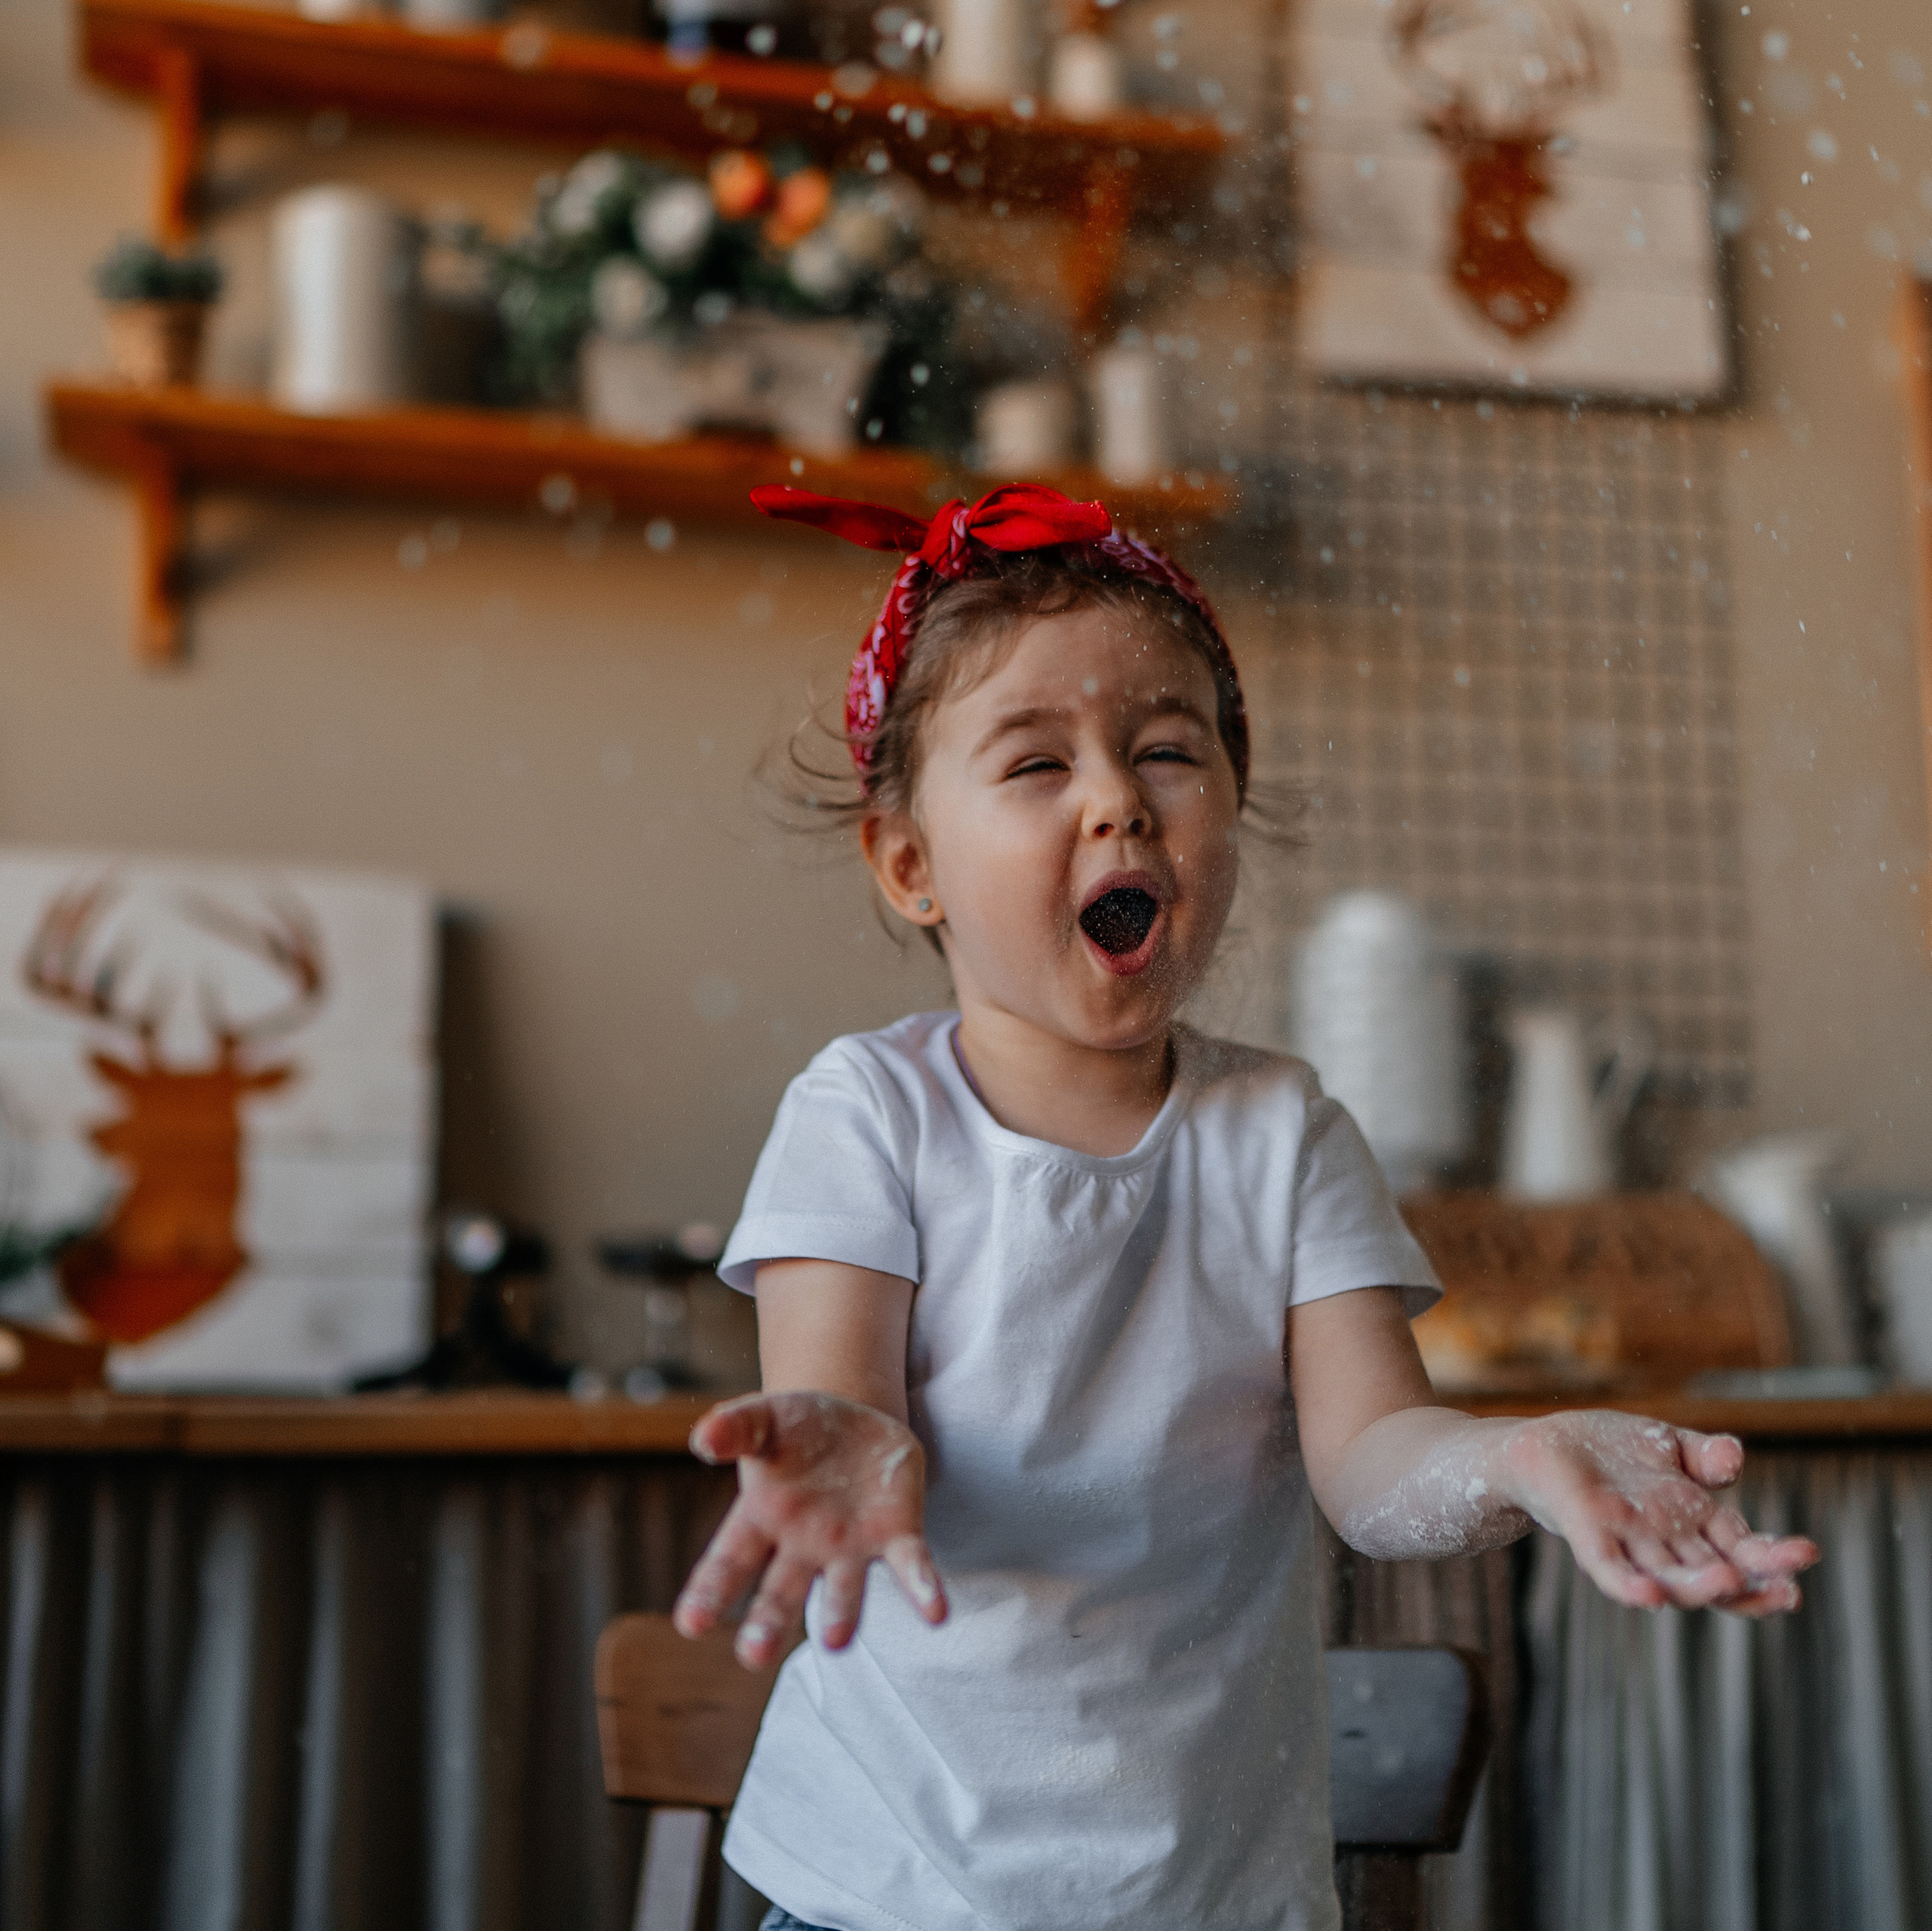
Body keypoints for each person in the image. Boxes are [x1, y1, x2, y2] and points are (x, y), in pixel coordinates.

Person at [671, 484, 1818, 1931]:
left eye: (1169, 749)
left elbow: (1375, 1462)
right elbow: (843, 1403)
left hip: (1216, 1901)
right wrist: (847, 1443)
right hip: (885, 1891)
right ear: (911, 865)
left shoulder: (1285, 1134)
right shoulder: (867, 1114)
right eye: (1036, 763)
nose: (1117, 798)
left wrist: (1520, 1456)